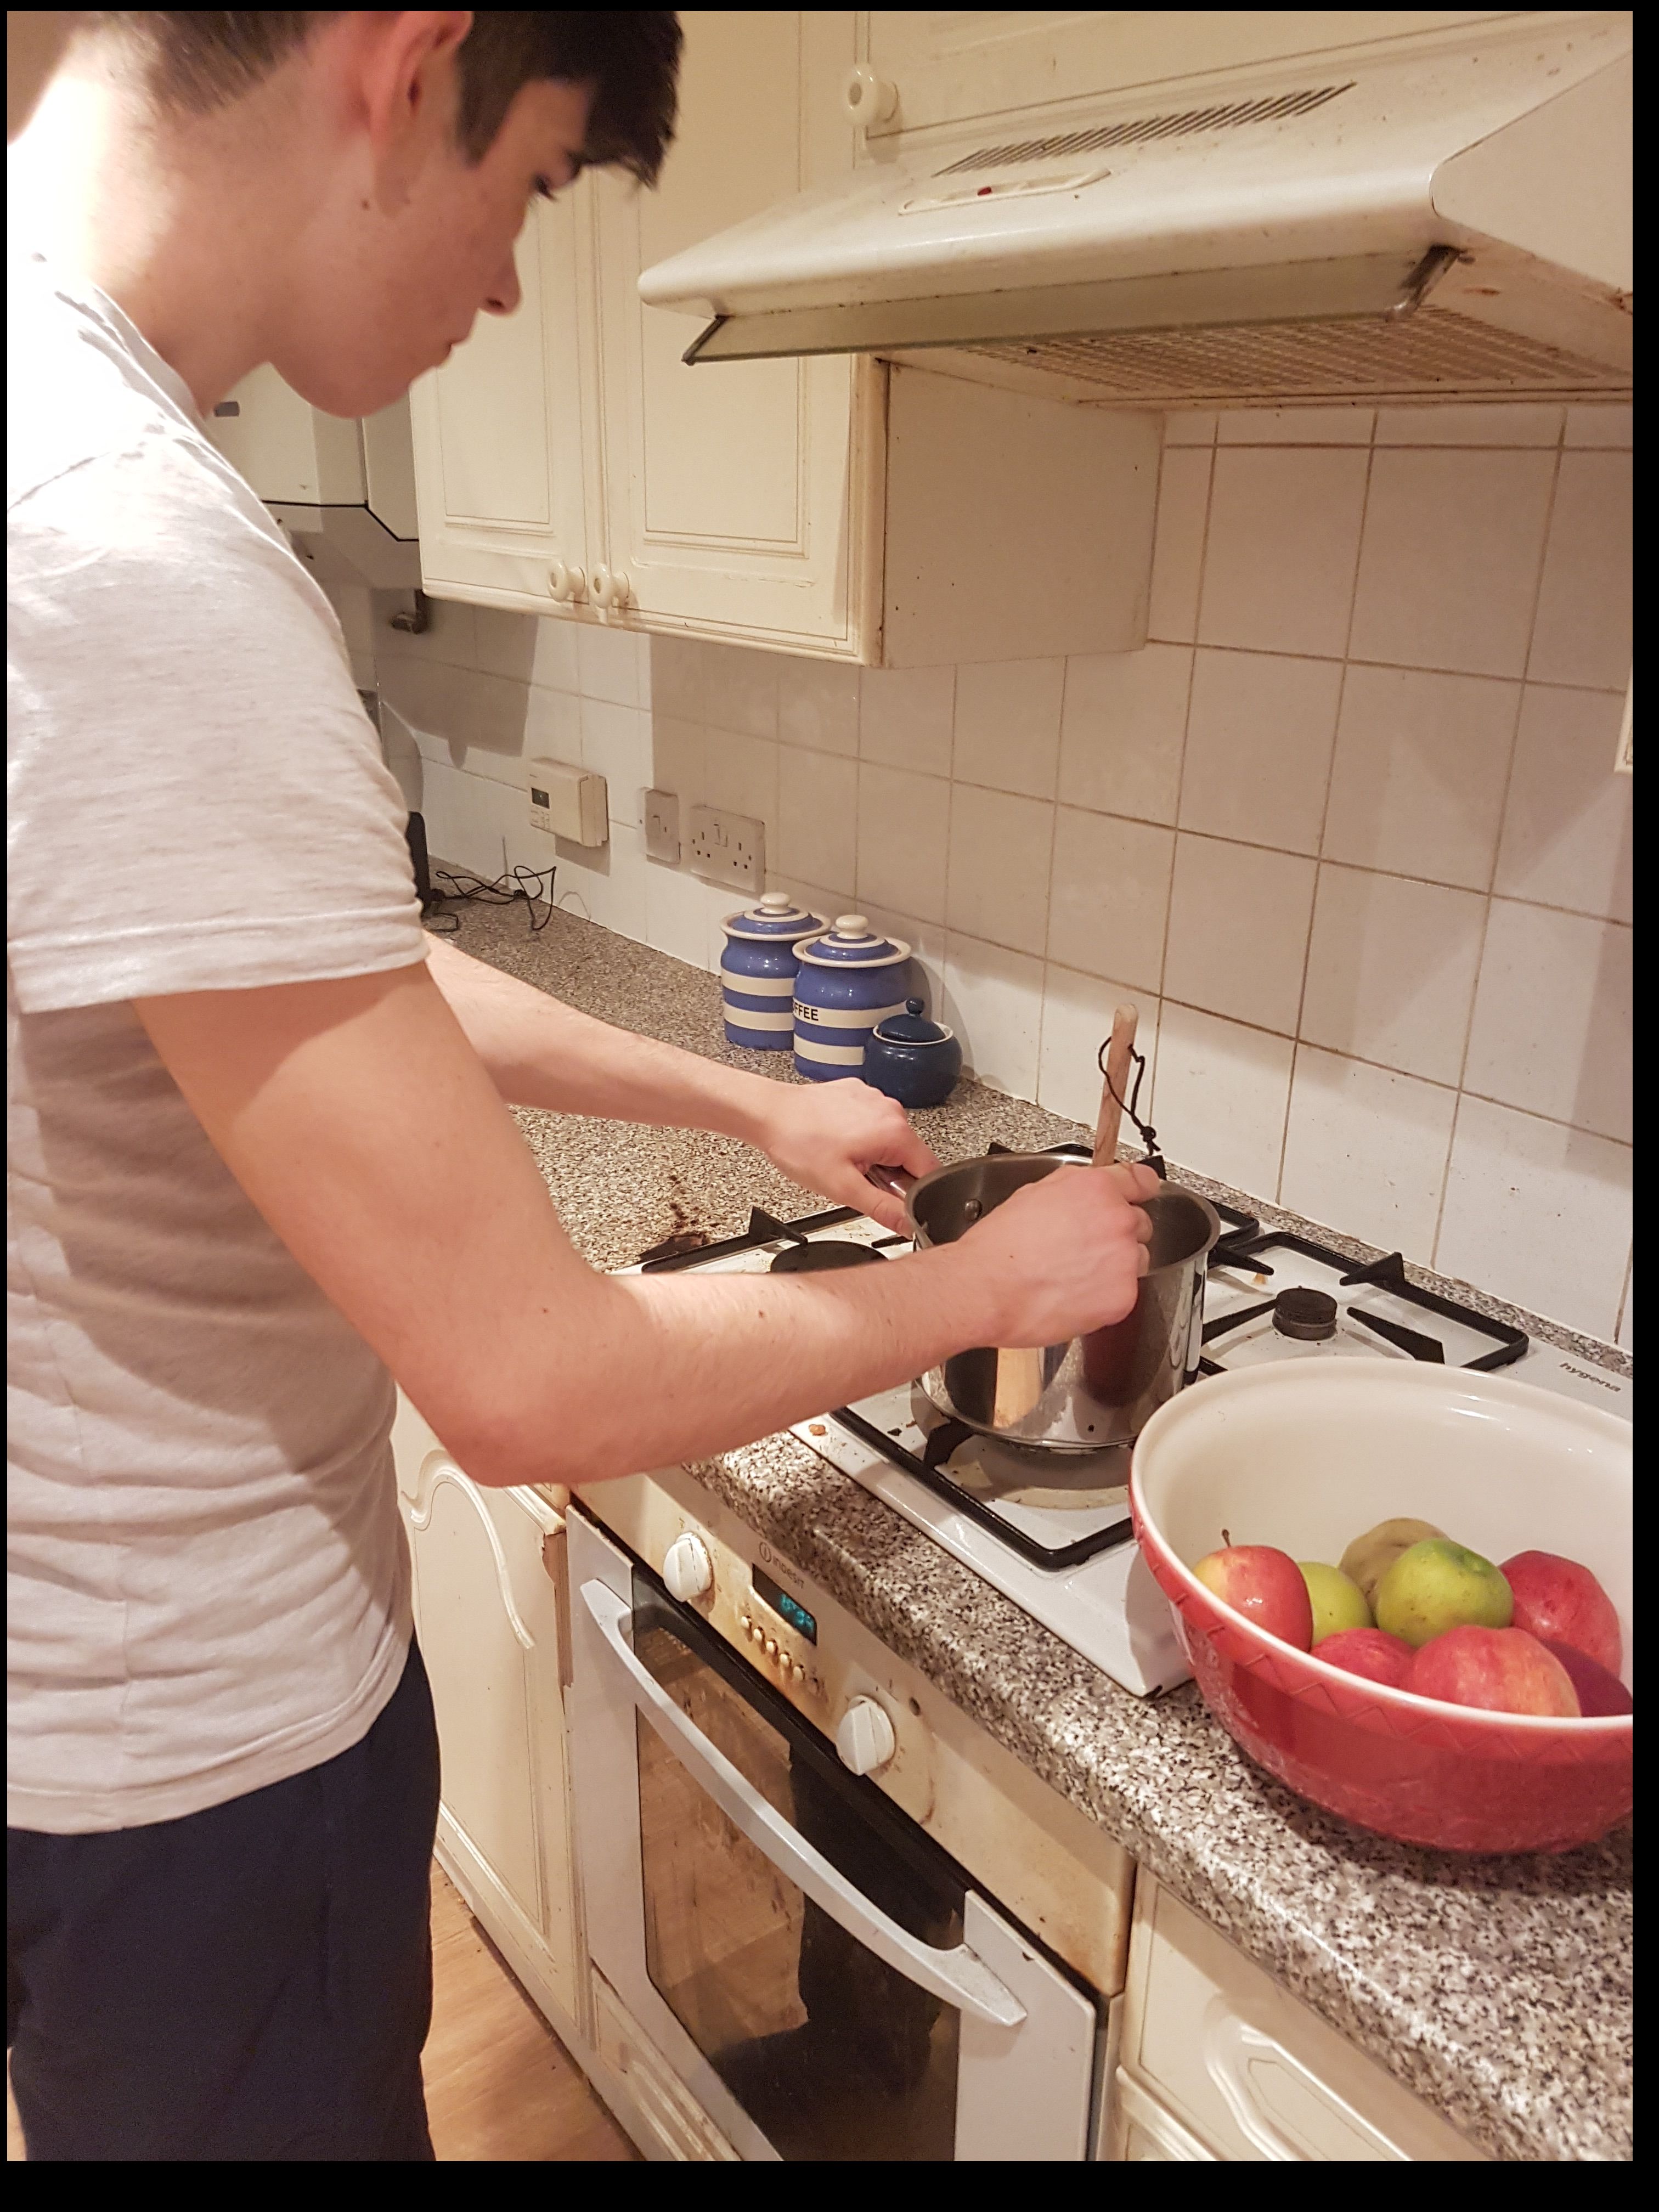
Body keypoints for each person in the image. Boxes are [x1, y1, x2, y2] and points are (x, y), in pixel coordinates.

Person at [6, 10, 1158, 2163]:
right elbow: (523, 1384)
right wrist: (982, 1297)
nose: (516, 285)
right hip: (197, 1760)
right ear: (409, 62)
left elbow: (330, 960)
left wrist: (745, 1102)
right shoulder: (131, 546)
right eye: (532, 186)